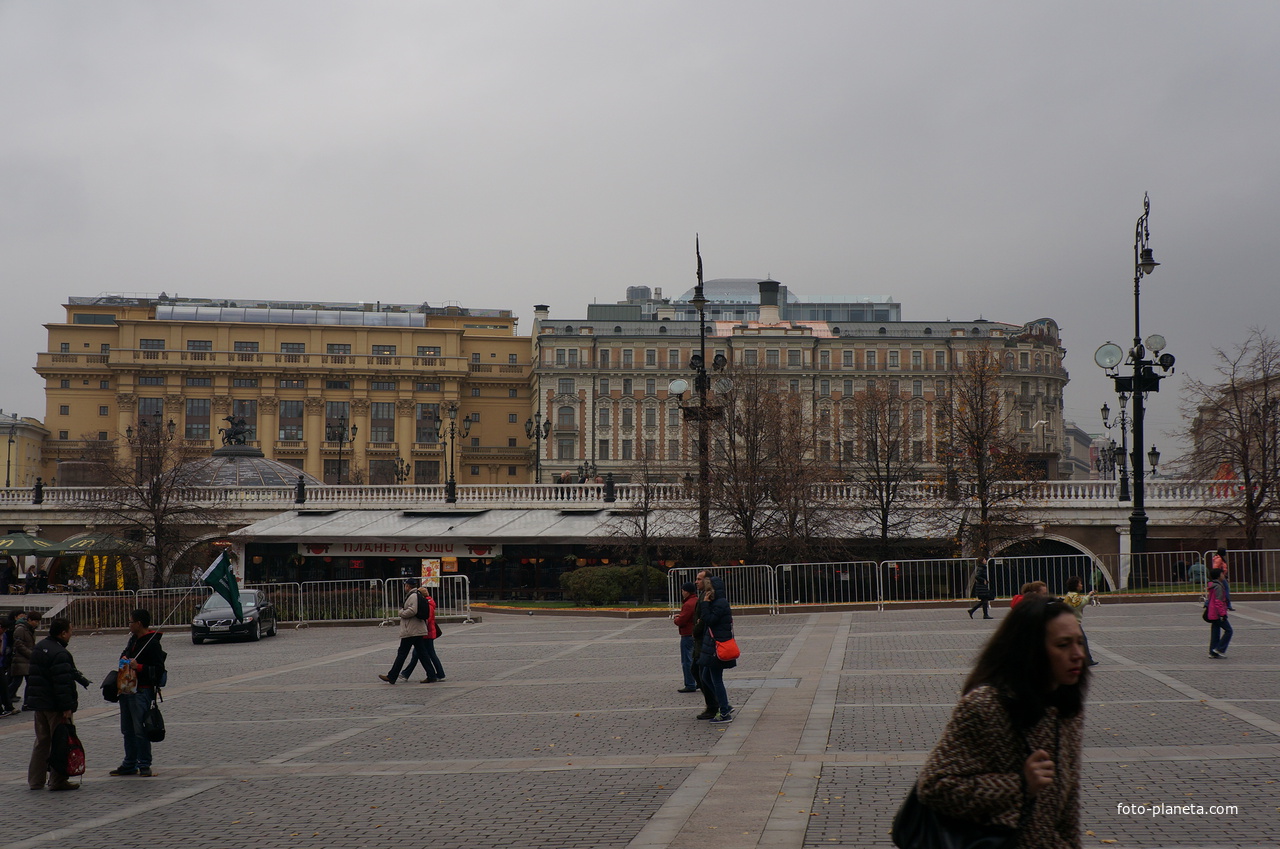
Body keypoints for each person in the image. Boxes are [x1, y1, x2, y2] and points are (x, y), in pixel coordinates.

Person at [917, 597, 1089, 848]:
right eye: (1063, 645)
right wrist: (1019, 786)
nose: (1078, 655)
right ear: (1031, 649)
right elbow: (934, 786)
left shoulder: (1067, 710)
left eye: (1080, 642)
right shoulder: (985, 706)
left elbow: (1069, 802)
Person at [27, 618, 89, 791]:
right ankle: (58, 779)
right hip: (55, 706)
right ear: (62, 633)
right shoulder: (60, 653)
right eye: (70, 630)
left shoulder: (40, 647)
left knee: (42, 742)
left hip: (39, 704)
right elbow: (61, 684)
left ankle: (35, 780)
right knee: (61, 742)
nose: (71, 633)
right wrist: (67, 707)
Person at [110, 609, 165, 777]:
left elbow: (159, 670)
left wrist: (138, 667)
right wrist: (125, 659)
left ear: (139, 623)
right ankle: (130, 763)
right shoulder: (133, 640)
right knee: (127, 729)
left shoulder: (152, 643)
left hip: (141, 691)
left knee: (140, 729)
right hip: (127, 689)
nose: (129, 625)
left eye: (130, 622)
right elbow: (124, 655)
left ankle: (144, 763)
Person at [697, 572, 736, 724]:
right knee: (706, 677)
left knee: (716, 679)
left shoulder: (720, 603)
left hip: (717, 647)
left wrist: (705, 605)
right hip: (711, 645)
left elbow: (710, 620)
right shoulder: (717, 602)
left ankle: (724, 711)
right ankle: (724, 704)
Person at [379, 579, 434, 684]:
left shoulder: (413, 596)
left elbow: (413, 610)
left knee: (402, 653)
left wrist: (401, 612)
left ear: (408, 586)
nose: (405, 587)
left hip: (411, 629)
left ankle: (392, 676)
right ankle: (431, 675)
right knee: (422, 653)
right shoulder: (416, 595)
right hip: (416, 629)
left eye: (405, 585)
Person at [690, 571, 721, 721]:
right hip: (701, 642)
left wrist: (696, 630)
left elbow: (704, 619)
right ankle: (714, 704)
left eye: (699, 579)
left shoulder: (707, 596)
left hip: (704, 642)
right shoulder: (703, 595)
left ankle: (714, 705)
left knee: (702, 674)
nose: (696, 582)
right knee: (698, 672)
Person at [399, 585, 445, 683]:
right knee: (419, 654)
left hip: (426, 633)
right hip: (427, 633)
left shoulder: (427, 604)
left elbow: (427, 619)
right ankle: (406, 673)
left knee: (423, 654)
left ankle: (406, 673)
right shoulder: (429, 603)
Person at [1062, 576, 1099, 666]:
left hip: (1069, 621)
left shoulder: (1069, 594)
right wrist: (1088, 596)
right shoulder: (1074, 595)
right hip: (1074, 622)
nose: (1081, 585)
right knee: (1082, 640)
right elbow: (1079, 604)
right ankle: (1087, 660)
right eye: (1080, 583)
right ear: (1076, 585)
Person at [673, 581, 699, 692]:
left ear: (687, 592)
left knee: (687, 660)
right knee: (695, 659)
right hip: (695, 634)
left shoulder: (688, 604)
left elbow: (682, 621)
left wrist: (676, 619)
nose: (682, 593)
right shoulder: (696, 601)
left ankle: (690, 684)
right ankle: (699, 681)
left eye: (683, 591)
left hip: (687, 634)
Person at [8, 610, 36, 710]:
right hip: (20, 659)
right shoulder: (20, 629)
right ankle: (5, 699)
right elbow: (18, 644)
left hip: (25, 660)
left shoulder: (29, 629)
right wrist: (30, 654)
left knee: (29, 681)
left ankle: (27, 703)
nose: (36, 624)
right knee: (16, 682)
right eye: (35, 621)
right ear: (29, 620)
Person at [1206, 567, 1233, 659]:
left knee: (1215, 632)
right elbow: (1218, 602)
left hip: (1212, 613)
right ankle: (1219, 649)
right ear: (1218, 576)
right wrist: (1223, 614)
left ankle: (1212, 652)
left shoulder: (1213, 585)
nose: (1223, 575)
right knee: (1229, 631)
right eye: (1222, 574)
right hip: (1217, 613)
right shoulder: (1218, 587)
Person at [0, 617, 14, 716]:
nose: (4, 631)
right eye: (3, 628)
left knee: (4, 685)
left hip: (1, 665)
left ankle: (8, 706)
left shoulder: (4, 635)